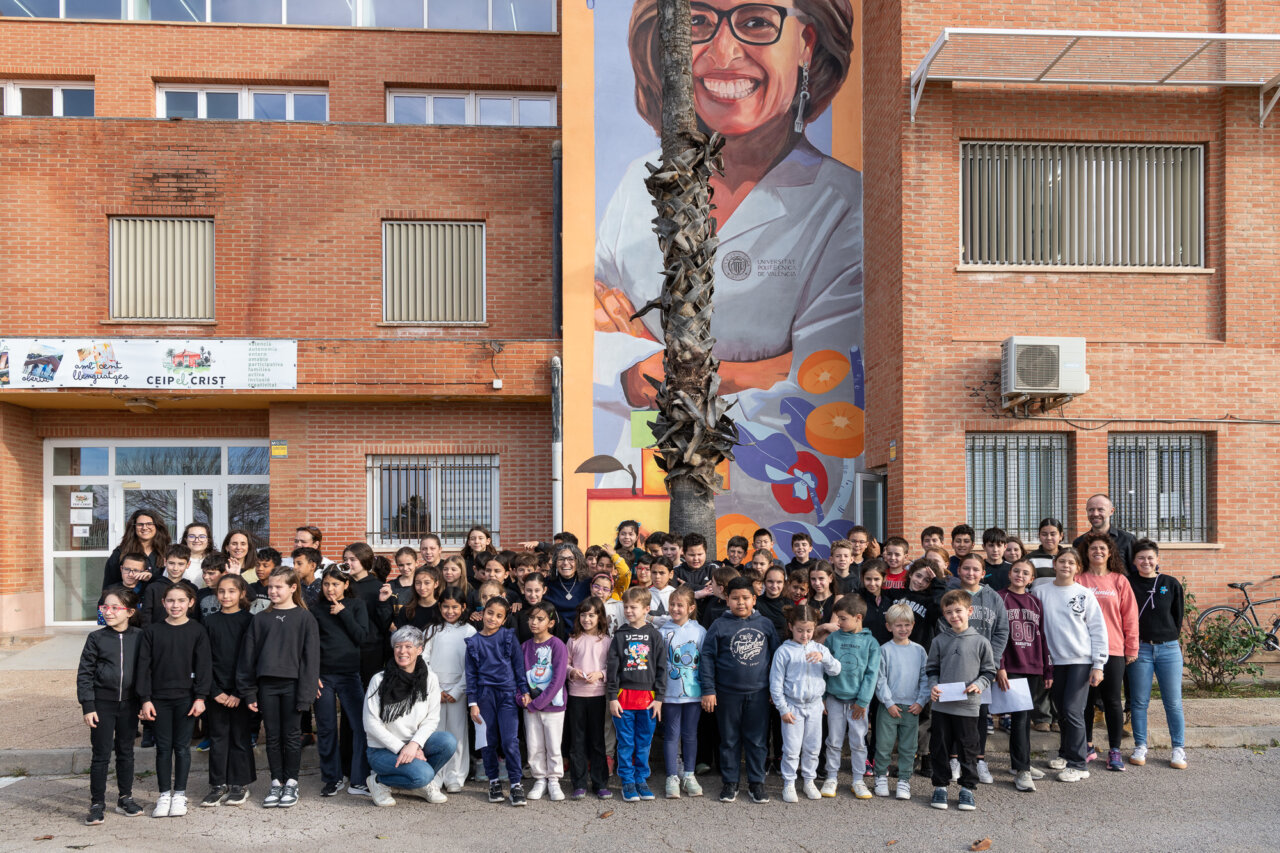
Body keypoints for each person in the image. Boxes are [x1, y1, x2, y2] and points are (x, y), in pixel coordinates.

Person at [594, 0, 861, 526]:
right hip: (630, 492)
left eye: (756, 21)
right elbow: (595, 328)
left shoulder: (845, 203)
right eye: (696, 21)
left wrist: (650, 363)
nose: (722, 51)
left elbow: (821, 379)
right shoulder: (637, 182)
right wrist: (750, 369)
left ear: (807, 43)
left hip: (780, 506)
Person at [237, 568, 320, 809]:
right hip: (267, 686)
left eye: (278, 587)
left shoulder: (305, 618)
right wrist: (249, 691)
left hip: (293, 686)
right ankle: (276, 782)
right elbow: (248, 658)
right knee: (272, 737)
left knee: (292, 736)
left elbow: (310, 660)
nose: (272, 591)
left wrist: (306, 695)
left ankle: (291, 782)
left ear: (293, 588)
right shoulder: (260, 619)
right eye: (270, 587)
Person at [700, 577, 779, 804]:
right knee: (729, 739)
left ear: (754, 599)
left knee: (757, 740)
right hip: (727, 693)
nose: (741, 603)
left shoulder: (765, 624)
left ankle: (756, 783)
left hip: (759, 693)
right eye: (735, 598)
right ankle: (730, 781)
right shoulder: (719, 625)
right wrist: (709, 689)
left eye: (746, 598)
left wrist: (775, 690)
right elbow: (707, 657)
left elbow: (777, 659)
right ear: (727, 600)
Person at [137, 580, 212, 819]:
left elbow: (203, 667)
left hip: (186, 699)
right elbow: (144, 668)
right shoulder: (152, 632)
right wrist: (145, 699)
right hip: (158, 699)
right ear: (163, 603)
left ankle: (179, 794)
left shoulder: (197, 630)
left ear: (191, 603)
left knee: (181, 748)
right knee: (163, 749)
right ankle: (163, 795)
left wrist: (200, 697)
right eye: (170, 600)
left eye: (181, 601)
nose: (175, 605)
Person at [362, 626, 459, 807]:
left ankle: (420, 783)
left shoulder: (429, 678)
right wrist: (402, 748)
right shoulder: (379, 680)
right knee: (423, 774)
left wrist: (415, 745)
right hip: (382, 750)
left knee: (447, 741)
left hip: (412, 744)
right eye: (398, 646)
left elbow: (432, 719)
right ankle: (379, 782)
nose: (402, 651)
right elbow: (370, 724)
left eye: (408, 646)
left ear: (419, 649)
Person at [1035, 549, 1108, 783]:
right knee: (1060, 710)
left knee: (1073, 710)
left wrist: (1099, 664)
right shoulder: (1040, 592)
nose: (1066, 565)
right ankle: (1066, 755)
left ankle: (1079, 763)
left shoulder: (1084, 594)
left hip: (1080, 660)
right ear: (1054, 564)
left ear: (1077, 568)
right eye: (1062, 561)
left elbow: (1098, 629)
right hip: (1055, 662)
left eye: (1071, 562)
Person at [78, 586, 144, 825]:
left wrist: (145, 701)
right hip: (102, 705)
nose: (108, 612)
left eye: (115, 607)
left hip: (129, 705)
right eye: (105, 607)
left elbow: (147, 671)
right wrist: (88, 705)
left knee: (126, 752)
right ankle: (97, 803)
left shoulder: (140, 637)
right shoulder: (96, 638)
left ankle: (125, 798)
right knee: (101, 754)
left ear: (129, 611)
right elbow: (85, 674)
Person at [927, 589, 997, 812]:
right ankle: (940, 785)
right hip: (942, 705)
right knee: (939, 747)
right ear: (944, 615)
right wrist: (933, 686)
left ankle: (967, 788)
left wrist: (980, 684)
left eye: (958, 611)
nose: (954, 616)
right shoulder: (939, 641)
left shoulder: (981, 642)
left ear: (969, 611)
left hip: (968, 707)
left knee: (968, 748)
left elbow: (989, 671)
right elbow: (932, 669)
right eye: (949, 612)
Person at [1076, 531, 1139, 772]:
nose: (1098, 552)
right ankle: (1087, 746)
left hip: (1113, 649)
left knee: (1112, 701)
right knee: (1086, 701)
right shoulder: (1079, 580)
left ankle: (1114, 750)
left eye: (1103, 548)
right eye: (1093, 549)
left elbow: (1130, 617)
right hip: (1083, 650)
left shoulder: (1119, 581)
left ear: (1110, 552)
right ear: (1087, 553)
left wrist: (1131, 647)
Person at [944, 553, 1009, 785]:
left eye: (975, 570)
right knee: (954, 712)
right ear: (958, 570)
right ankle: (954, 759)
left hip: (983, 667)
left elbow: (1002, 631)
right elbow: (944, 627)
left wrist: (992, 660)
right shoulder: (950, 595)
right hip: (955, 662)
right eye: (966, 568)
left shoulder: (993, 597)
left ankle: (979, 760)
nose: (970, 573)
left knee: (979, 714)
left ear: (983, 573)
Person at [770, 603, 841, 803]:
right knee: (791, 747)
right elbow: (775, 684)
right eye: (800, 630)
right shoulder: (784, 652)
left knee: (813, 746)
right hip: (792, 706)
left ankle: (809, 780)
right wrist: (782, 708)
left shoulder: (820, 648)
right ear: (791, 626)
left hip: (815, 705)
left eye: (809, 630)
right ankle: (789, 783)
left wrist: (824, 659)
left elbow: (836, 670)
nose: (805, 635)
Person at [1126, 539, 1187, 770]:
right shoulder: (1128, 583)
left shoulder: (1170, 583)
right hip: (1140, 649)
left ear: (1158, 559)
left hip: (1168, 649)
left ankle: (1178, 749)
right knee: (1139, 702)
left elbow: (1177, 616)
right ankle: (1140, 745)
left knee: (1173, 702)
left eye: (1150, 557)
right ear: (1134, 561)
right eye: (1141, 557)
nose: (1146, 561)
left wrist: (1168, 638)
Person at [312, 567, 372, 798]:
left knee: (360, 727)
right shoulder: (316, 610)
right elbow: (311, 645)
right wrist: (313, 675)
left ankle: (358, 780)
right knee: (326, 728)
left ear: (346, 585)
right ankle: (332, 778)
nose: (330, 589)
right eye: (326, 584)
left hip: (350, 675)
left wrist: (344, 612)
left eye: (335, 584)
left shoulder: (356, 606)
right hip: (323, 677)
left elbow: (362, 637)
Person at [607, 586, 667, 802]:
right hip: (623, 698)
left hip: (648, 700)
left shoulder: (654, 635)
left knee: (643, 742)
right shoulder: (620, 635)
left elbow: (662, 669)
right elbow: (612, 669)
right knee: (625, 743)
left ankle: (641, 778)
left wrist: (659, 699)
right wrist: (612, 697)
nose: (629, 611)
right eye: (626, 607)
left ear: (646, 609)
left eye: (634, 607)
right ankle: (627, 781)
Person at [996, 560, 1052, 792]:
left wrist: (1048, 669)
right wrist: (1000, 666)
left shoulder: (1035, 602)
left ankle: (1020, 763)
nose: (1020, 575)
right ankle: (1022, 770)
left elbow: (1042, 637)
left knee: (1024, 719)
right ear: (1009, 573)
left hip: (1033, 667)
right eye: (1016, 571)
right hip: (1012, 666)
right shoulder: (1000, 598)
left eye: (1025, 573)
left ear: (1032, 579)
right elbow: (995, 634)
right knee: (1019, 719)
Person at [466, 596, 527, 806]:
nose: (493, 618)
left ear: (504, 619)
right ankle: (493, 782)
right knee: (488, 741)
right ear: (483, 613)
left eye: (499, 616)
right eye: (490, 613)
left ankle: (516, 784)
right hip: (484, 696)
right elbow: (470, 675)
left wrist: (524, 690)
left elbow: (519, 667)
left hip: (507, 694)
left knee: (510, 741)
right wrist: (472, 703)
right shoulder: (473, 642)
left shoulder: (508, 637)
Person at [200, 574, 255, 808]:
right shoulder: (209, 622)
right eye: (221, 591)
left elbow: (251, 659)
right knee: (218, 737)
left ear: (242, 594)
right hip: (217, 692)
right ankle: (218, 784)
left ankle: (239, 783)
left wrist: (239, 692)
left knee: (240, 737)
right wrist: (214, 691)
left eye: (232, 591)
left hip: (240, 691)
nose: (226, 596)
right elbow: (203, 660)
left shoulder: (250, 621)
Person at [819, 595, 879, 799]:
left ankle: (858, 780)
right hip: (835, 699)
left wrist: (863, 702)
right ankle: (831, 777)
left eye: (843, 618)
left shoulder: (871, 643)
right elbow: (824, 669)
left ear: (858, 617)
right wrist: (824, 696)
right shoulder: (833, 638)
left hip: (857, 704)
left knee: (858, 742)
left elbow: (872, 675)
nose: (838, 623)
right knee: (833, 740)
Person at [422, 587, 477, 793]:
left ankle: (455, 775)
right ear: (439, 606)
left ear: (463, 607)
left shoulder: (469, 631)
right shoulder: (432, 630)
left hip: (458, 692)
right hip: (434, 691)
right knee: (435, 733)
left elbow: (470, 666)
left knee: (457, 734)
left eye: (455, 607)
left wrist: (456, 691)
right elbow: (423, 660)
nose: (450, 611)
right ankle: (435, 775)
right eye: (446, 606)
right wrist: (435, 689)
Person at [873, 602, 929, 801]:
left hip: (912, 707)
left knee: (908, 747)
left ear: (913, 625)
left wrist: (922, 701)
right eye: (898, 625)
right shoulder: (884, 650)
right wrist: (888, 702)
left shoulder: (919, 651)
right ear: (889, 627)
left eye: (907, 625)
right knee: (884, 745)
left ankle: (904, 780)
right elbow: (879, 679)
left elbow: (925, 678)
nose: (903, 629)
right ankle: (880, 776)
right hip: (889, 707)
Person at [518, 602, 569, 801]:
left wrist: (538, 702)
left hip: (553, 706)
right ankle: (539, 778)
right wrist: (521, 696)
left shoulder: (557, 645)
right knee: (534, 744)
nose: (534, 622)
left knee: (554, 744)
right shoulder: (525, 647)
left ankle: (554, 780)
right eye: (531, 618)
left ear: (551, 622)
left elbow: (558, 679)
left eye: (540, 619)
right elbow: (520, 676)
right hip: (530, 706)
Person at [658, 586, 706, 799]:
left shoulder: (699, 631)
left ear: (691, 607)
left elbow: (705, 661)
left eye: (680, 605)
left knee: (690, 734)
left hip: (694, 693)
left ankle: (688, 774)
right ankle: (671, 776)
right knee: (671, 735)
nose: (675, 609)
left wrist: (707, 690)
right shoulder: (661, 631)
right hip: (669, 693)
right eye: (672, 605)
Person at [566, 597, 612, 800]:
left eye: (591, 615)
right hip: (576, 695)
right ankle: (579, 783)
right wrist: (572, 672)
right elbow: (565, 664)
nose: (586, 619)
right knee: (577, 741)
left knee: (597, 740)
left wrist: (601, 674)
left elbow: (612, 667)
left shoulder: (606, 641)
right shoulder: (573, 639)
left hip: (598, 695)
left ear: (600, 617)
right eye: (583, 615)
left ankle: (600, 782)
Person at [102, 508, 170, 590]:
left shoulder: (167, 552)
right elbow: (110, 585)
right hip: (129, 600)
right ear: (133, 528)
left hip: (159, 601)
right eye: (140, 524)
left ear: (157, 526)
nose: (144, 527)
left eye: (149, 524)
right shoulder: (121, 552)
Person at [1073, 494, 1138, 572]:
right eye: (1091, 510)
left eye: (1100, 509)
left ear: (1111, 511)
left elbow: (1136, 572)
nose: (1095, 514)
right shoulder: (1079, 542)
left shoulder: (1127, 540)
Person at [141, 544, 191, 628]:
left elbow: (194, 616)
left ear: (188, 564)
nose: (175, 568)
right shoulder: (153, 588)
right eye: (171, 563)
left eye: (181, 564)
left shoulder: (191, 588)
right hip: (157, 635)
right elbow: (146, 618)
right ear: (165, 562)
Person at [544, 544, 592, 631]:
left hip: (582, 637)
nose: (565, 563)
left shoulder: (588, 583)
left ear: (578, 562)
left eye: (571, 559)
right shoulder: (547, 583)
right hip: (555, 638)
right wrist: (517, 600)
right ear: (555, 562)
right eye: (561, 559)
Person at [399, 567, 444, 632]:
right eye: (418, 583)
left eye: (427, 583)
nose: (422, 587)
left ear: (436, 584)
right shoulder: (406, 611)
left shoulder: (442, 609)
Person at [978, 528, 1011, 592]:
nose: (995, 550)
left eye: (999, 545)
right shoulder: (978, 568)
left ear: (1005, 547)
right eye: (991, 545)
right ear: (984, 547)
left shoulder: (1012, 569)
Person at [649, 557, 676, 629]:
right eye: (654, 572)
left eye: (662, 573)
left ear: (671, 574)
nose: (657, 576)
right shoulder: (644, 594)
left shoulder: (677, 594)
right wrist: (653, 619)